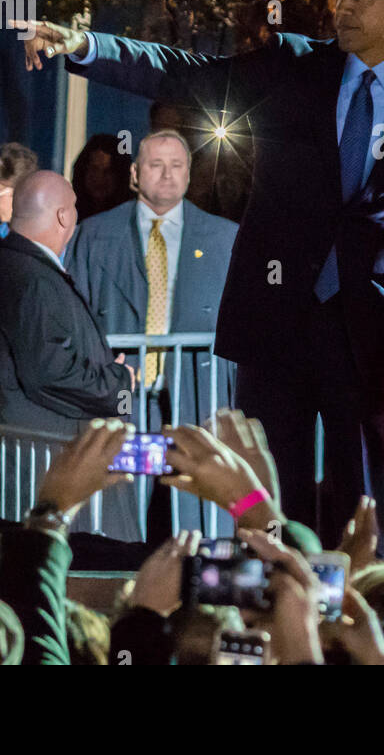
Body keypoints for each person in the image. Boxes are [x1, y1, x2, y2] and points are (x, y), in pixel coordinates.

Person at [13, 0, 384, 547]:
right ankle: (268, 621)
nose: (341, 6)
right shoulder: (293, 65)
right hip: (276, 322)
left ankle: (362, 623)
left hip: (365, 333)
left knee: (367, 508)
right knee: (266, 499)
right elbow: (185, 73)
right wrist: (85, 44)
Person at [67, 129, 238, 535]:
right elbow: (75, 314)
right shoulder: (94, 235)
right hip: (123, 395)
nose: (167, 174)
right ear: (134, 174)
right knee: (123, 518)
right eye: (156, 165)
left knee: (196, 518)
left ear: (190, 174)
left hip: (197, 397)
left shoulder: (225, 238)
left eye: (177, 165)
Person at [0, 171, 137, 523]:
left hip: (2, 467)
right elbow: (50, 372)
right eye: (75, 207)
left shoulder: (1, 263)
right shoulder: (34, 279)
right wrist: (119, 379)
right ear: (64, 216)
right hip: (33, 469)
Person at [70, 133, 132, 221]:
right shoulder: (69, 216)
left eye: (108, 171)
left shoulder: (131, 218)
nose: (99, 177)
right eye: (94, 169)